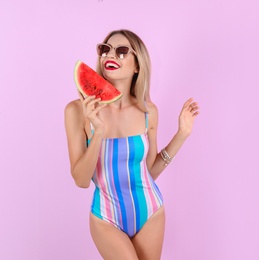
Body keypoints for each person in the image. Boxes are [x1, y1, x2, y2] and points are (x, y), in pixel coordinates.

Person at [64, 29, 199, 260]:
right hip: (107, 216)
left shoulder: (148, 112)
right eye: (105, 49)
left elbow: (149, 172)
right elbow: (81, 180)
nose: (110, 55)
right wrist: (98, 132)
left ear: (138, 65)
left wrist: (182, 134)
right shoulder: (77, 110)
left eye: (122, 51)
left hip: (151, 211)